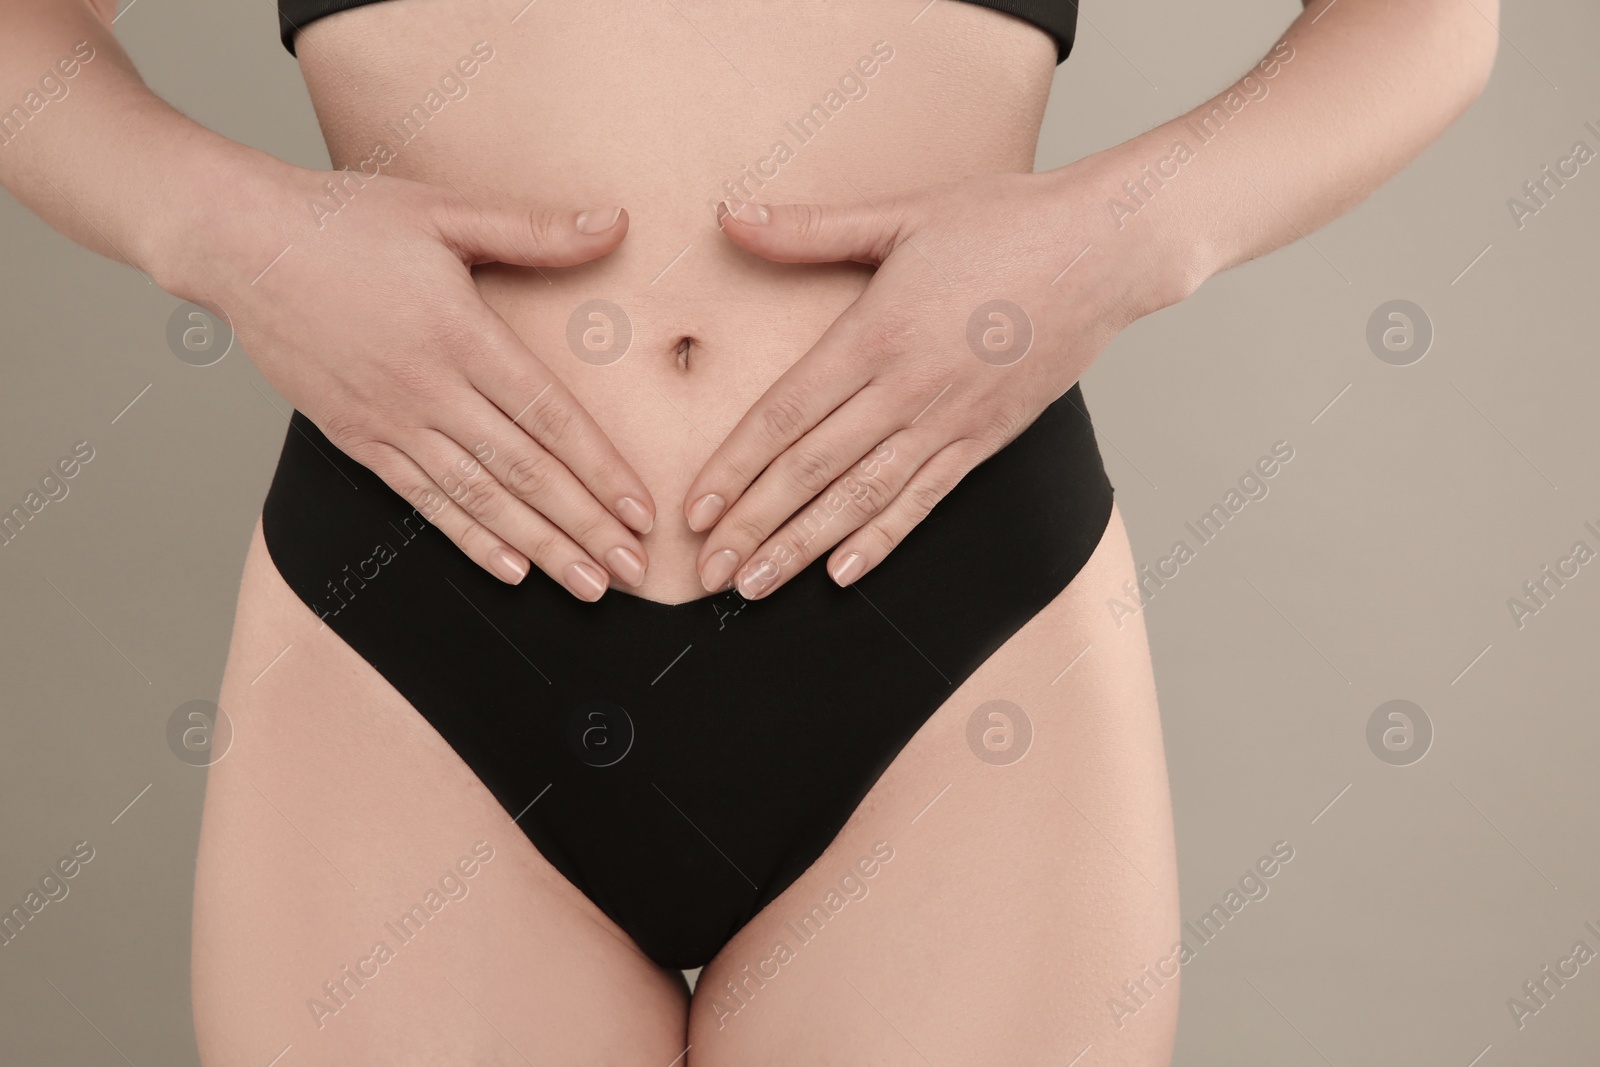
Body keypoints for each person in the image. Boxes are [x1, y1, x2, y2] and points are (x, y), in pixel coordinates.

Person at [0, 0, 1496, 1062]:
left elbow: (1428, 16)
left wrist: (1122, 240)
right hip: (418, 623)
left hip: (949, 621)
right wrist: (234, 238)